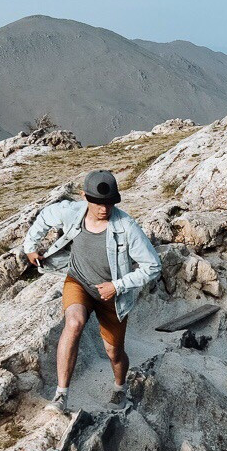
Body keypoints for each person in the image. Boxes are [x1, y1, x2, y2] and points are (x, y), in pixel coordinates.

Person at [22, 169, 162, 412]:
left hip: (113, 296)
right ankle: (61, 396)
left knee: (114, 352)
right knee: (74, 323)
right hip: (79, 282)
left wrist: (117, 286)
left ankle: (119, 387)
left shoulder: (126, 227)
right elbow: (46, 216)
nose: (104, 209)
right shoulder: (73, 212)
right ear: (84, 196)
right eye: (98, 202)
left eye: (109, 203)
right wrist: (30, 246)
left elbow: (153, 266)